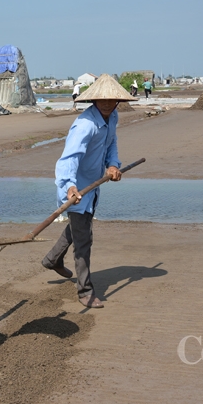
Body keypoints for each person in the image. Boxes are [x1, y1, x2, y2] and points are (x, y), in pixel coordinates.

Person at [42, 74, 138, 308]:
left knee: (80, 225)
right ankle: (85, 291)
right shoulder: (85, 125)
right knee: (84, 239)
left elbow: (111, 142)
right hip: (76, 188)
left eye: (111, 100)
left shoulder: (112, 117)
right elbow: (68, 159)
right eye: (101, 99)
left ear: (118, 101)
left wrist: (113, 164)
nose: (106, 103)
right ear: (93, 100)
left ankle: (52, 259)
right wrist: (70, 186)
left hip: (93, 185)